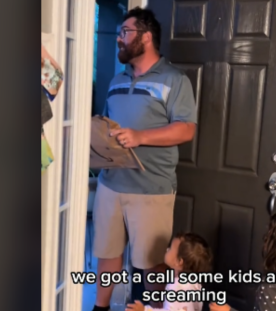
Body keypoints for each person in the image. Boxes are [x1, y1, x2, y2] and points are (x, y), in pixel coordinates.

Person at [92, 7, 197, 311]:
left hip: (152, 188)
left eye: (125, 33)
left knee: (152, 264)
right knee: (107, 254)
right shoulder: (115, 81)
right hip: (111, 184)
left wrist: (139, 137)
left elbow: (186, 129)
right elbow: (110, 126)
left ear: (146, 37)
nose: (119, 39)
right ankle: (100, 307)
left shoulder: (175, 80)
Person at [126, 232, 213, 311]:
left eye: (171, 248)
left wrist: (145, 309)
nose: (167, 249)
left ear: (179, 262)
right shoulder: (195, 283)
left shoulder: (176, 287)